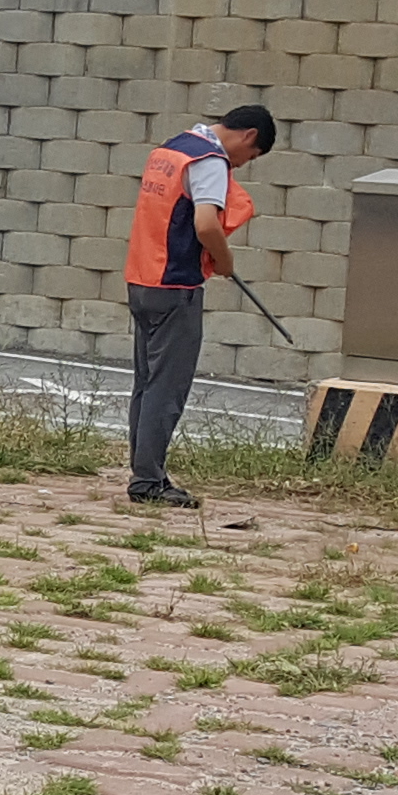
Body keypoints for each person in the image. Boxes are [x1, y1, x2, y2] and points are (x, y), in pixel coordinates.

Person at [120, 101, 277, 509]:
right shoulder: (210, 161)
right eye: (252, 157)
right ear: (249, 136)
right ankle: (148, 481)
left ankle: (145, 470)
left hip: (141, 277)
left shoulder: (170, 149)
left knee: (146, 382)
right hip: (175, 285)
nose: (243, 165)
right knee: (166, 389)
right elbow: (206, 223)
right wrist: (224, 260)